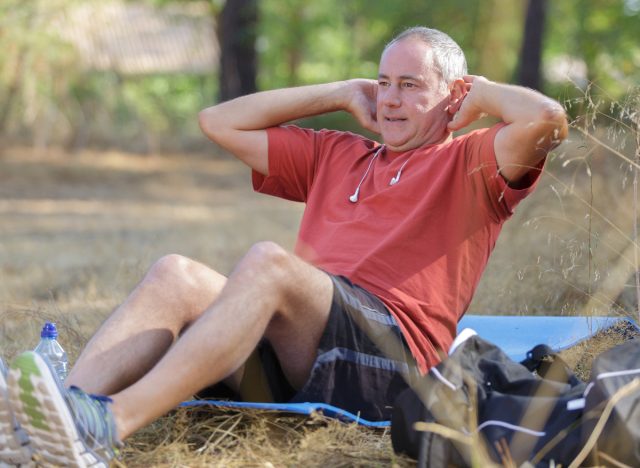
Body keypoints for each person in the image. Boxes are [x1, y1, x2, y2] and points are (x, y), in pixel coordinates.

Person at [1, 26, 567, 466]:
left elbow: (547, 118)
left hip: (389, 358)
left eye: (410, 85)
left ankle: (110, 425)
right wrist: (342, 92)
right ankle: (57, 419)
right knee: (175, 272)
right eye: (383, 82)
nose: (390, 99)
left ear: (453, 96)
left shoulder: (470, 162)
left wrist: (484, 95)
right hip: (306, 340)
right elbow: (218, 122)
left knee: (269, 265)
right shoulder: (341, 154)